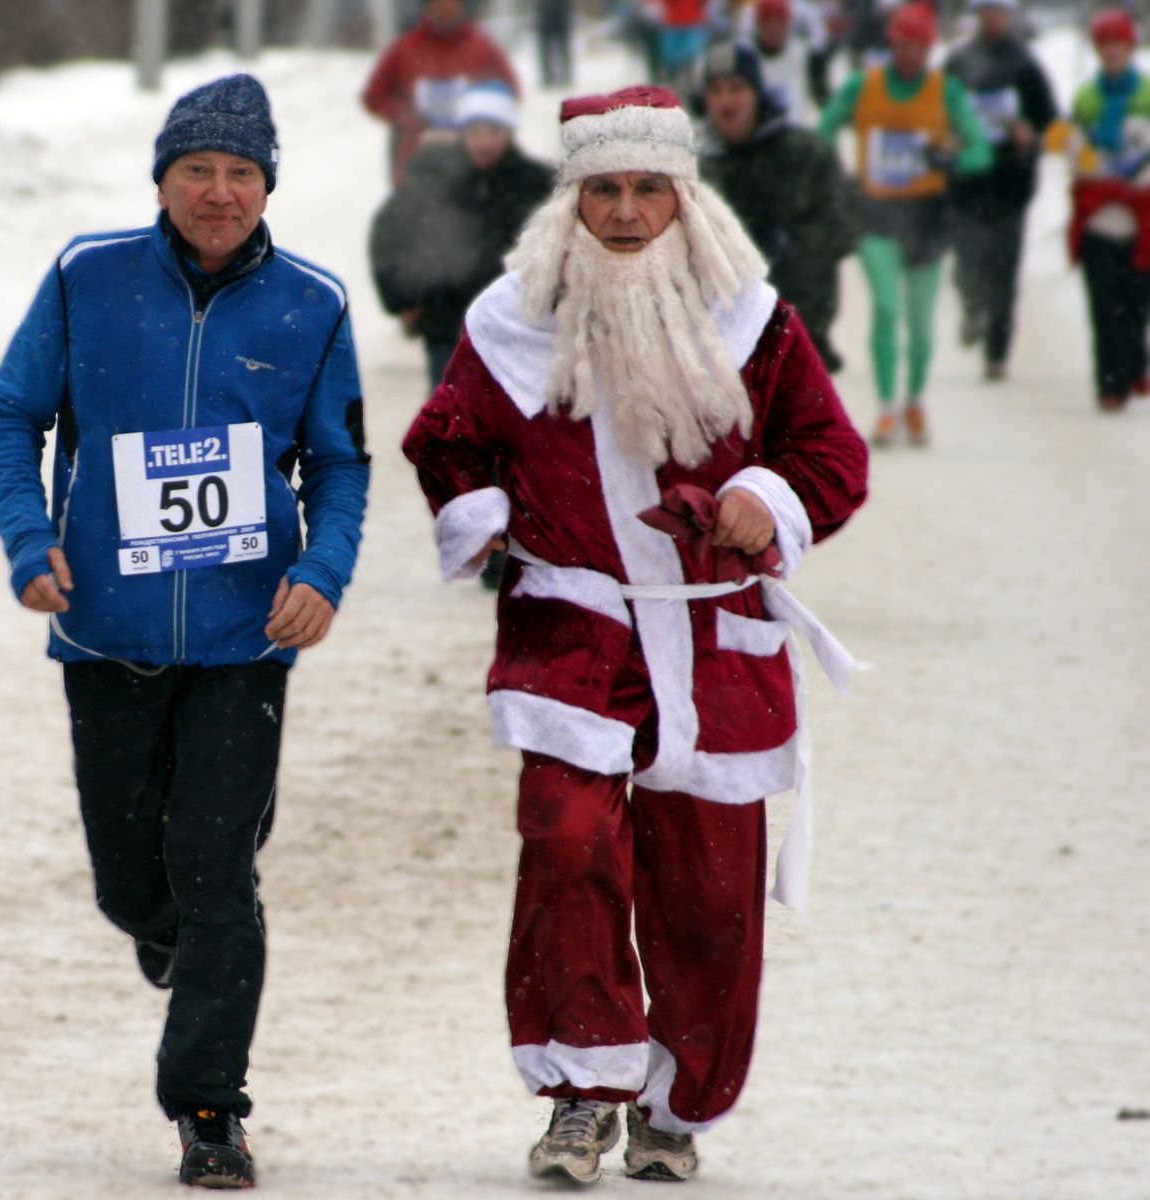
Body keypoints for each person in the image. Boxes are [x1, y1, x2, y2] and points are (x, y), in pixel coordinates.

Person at [401, 85, 868, 1187]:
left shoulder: (753, 321)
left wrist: (765, 496)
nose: (621, 213)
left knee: (707, 895)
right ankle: (579, 1091)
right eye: (601, 189)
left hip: (713, 645)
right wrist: (480, 512)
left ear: (681, 200)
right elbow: (445, 438)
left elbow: (826, 453)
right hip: (570, 634)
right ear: (570, 201)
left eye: (645, 189)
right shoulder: (508, 323)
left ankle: (674, 1103)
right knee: (566, 848)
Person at [0, 74, 370, 1190]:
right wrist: (25, 537)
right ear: (161, 178)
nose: (218, 191)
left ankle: (209, 1107)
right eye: (197, 169)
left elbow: (339, 461)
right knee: (128, 882)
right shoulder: (85, 276)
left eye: (240, 173)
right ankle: (178, 936)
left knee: (212, 865)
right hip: (106, 627)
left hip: (246, 637)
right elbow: (10, 412)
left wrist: (322, 571)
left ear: (266, 188)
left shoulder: (311, 301)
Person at [819, 1, 993, 446]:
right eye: (902, 42)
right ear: (892, 41)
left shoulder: (945, 90)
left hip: (926, 218)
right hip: (876, 214)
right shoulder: (863, 84)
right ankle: (885, 407)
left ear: (930, 46)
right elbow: (823, 131)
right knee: (886, 308)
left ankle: (914, 398)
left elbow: (981, 150)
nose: (909, 52)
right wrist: (839, 174)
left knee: (918, 323)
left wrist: (951, 157)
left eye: (919, 44)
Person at [370, 80, 554, 381]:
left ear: (509, 133)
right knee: (449, 416)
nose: (484, 142)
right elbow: (391, 233)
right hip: (446, 322)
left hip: (515, 326)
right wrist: (402, 297)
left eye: (494, 132)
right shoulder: (432, 177)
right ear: (462, 133)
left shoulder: (535, 184)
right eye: (475, 132)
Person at [699, 41, 857, 372]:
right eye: (716, 90)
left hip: (799, 334)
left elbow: (842, 227)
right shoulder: (695, 165)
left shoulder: (805, 152)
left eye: (736, 88)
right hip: (719, 348)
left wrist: (788, 245)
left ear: (757, 92)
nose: (726, 101)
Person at [944, 0, 1057, 381]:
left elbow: (1049, 117)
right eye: (985, 10)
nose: (992, 17)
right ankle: (973, 306)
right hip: (966, 182)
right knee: (966, 260)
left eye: (998, 10)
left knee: (1004, 270)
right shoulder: (959, 62)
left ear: (1008, 16)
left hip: (1010, 182)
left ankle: (997, 350)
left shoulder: (1025, 64)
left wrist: (1031, 132)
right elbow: (936, 109)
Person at [1066, 8, 1150, 411]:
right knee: (1103, 305)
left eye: (1118, 44)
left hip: (1142, 218)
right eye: (1104, 45)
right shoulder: (1086, 96)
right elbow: (1073, 147)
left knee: (1136, 304)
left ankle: (1135, 363)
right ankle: (1110, 386)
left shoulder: (1147, 94)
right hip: (1099, 216)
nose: (1111, 52)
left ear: (1129, 46)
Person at [361, 0, 520, 184]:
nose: (445, 7)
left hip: (473, 167)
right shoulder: (404, 48)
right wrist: (403, 114)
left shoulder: (483, 48)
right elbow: (373, 96)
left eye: (452, 2)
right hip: (414, 162)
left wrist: (479, 117)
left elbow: (510, 92)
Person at [742, 0, 832, 125]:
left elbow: (823, 100)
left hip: (793, 133)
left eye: (780, 23)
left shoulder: (803, 54)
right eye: (767, 23)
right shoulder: (746, 56)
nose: (774, 29)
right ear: (758, 25)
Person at [538, 0, 576, 88]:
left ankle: (566, 75)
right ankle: (548, 77)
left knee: (563, 50)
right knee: (546, 52)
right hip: (546, 19)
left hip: (560, 18)